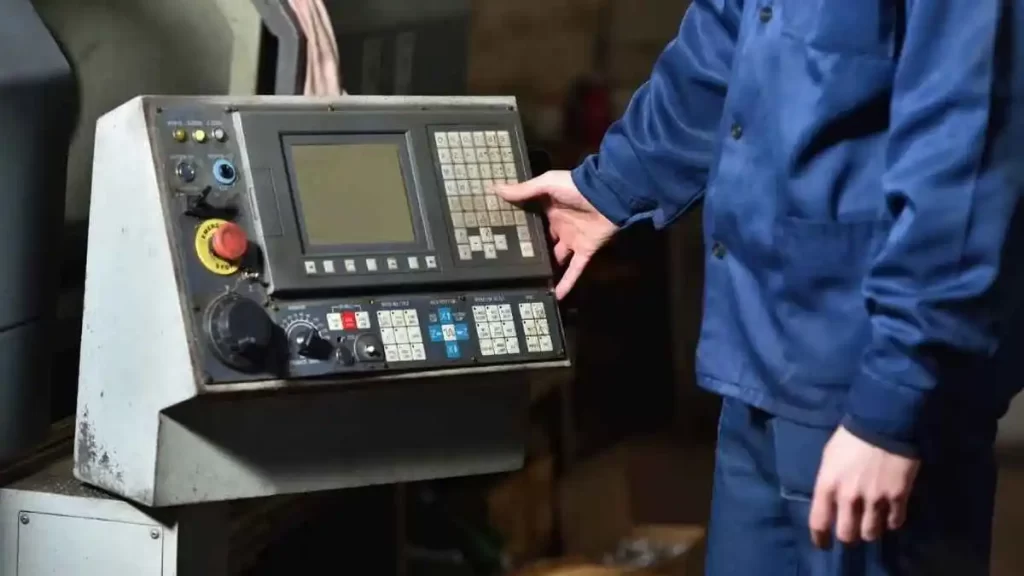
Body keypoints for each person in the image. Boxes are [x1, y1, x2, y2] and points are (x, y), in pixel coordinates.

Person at [496, 2, 1024, 574]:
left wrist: (892, 408)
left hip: (868, 374)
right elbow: (719, 47)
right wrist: (612, 186)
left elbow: (967, 166)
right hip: (758, 362)